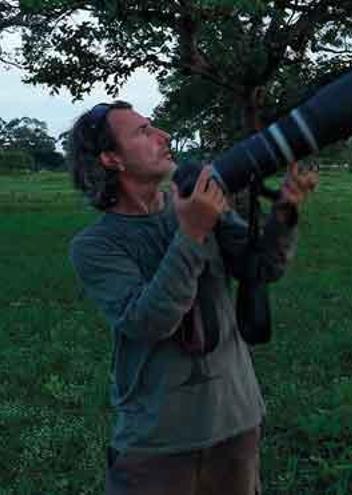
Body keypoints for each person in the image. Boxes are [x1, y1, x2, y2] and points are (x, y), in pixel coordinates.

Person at [67, 100, 318, 494]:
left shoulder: (196, 202)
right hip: (158, 442)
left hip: (235, 421)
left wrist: (285, 210)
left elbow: (263, 268)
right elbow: (150, 322)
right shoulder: (96, 246)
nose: (163, 136)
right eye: (143, 132)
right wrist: (192, 232)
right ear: (111, 158)